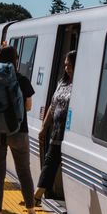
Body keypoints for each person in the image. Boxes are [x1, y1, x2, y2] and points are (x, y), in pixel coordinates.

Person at [0, 45, 38, 214]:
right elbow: (29, 106)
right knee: (24, 172)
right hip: (18, 132)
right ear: (15, 59)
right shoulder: (21, 79)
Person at [34, 50, 76, 204]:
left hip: (70, 133)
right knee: (50, 161)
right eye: (66, 65)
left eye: (70, 66)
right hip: (57, 131)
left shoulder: (80, 86)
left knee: (51, 162)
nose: (67, 69)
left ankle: (38, 195)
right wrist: (44, 128)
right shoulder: (62, 83)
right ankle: (38, 194)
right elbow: (53, 107)